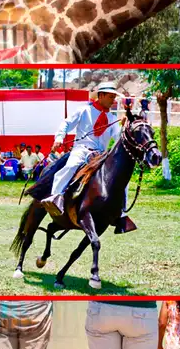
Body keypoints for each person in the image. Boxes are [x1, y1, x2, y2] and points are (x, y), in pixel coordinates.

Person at [42, 81, 135, 234]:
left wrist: (124, 126)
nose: (113, 100)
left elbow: (118, 138)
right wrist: (59, 138)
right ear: (101, 95)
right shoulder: (84, 110)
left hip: (101, 155)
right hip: (82, 150)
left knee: (122, 179)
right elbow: (66, 124)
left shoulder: (112, 118)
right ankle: (56, 198)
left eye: (114, 97)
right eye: (111, 97)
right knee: (71, 166)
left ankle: (121, 214)